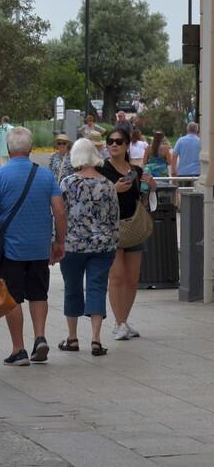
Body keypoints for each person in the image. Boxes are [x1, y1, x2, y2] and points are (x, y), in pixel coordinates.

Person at [0, 127, 66, 366]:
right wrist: (60, 241)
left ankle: (18, 348)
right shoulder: (46, 176)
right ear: (30, 149)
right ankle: (40, 337)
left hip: (11, 248)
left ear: (8, 149)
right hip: (40, 247)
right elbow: (59, 210)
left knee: (13, 298)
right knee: (39, 294)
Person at [58, 138, 120, 357]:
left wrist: (57, 241)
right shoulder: (108, 185)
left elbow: (59, 214)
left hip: (73, 245)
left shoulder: (67, 183)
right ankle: (95, 339)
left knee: (72, 287)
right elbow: (115, 218)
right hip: (102, 245)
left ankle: (72, 338)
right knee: (97, 288)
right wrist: (113, 240)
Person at [98, 128, 156, 341]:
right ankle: (119, 323)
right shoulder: (102, 170)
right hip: (111, 228)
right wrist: (114, 189)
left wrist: (150, 187)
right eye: (110, 141)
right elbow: (96, 200)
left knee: (132, 279)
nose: (114, 145)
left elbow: (140, 198)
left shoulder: (135, 170)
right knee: (117, 277)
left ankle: (123, 320)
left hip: (133, 226)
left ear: (127, 145)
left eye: (119, 142)